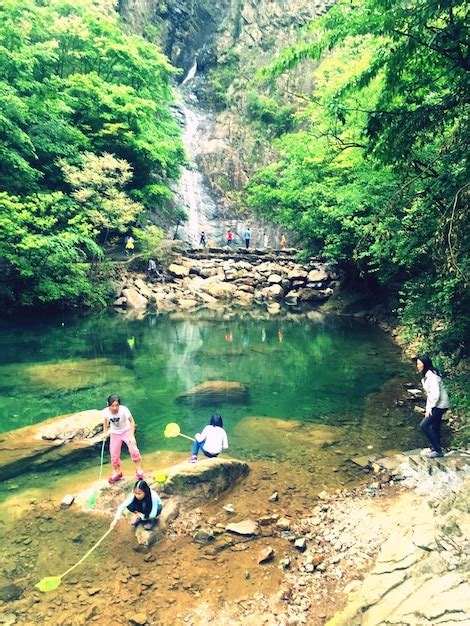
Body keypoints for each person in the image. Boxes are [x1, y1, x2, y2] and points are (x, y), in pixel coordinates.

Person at [102, 394, 144, 483]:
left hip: (126, 431)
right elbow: (105, 421)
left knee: (133, 450)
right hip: (115, 433)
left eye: (116, 405)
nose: (114, 408)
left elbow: (132, 422)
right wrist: (105, 432)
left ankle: (139, 470)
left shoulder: (124, 410)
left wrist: (131, 435)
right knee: (114, 454)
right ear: (108, 405)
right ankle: (117, 473)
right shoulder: (105, 412)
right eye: (112, 406)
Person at [416, 355, 450, 458]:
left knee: (424, 425)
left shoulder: (431, 376)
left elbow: (435, 394)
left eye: (419, 364)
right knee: (435, 426)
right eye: (417, 364)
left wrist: (431, 408)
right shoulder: (426, 376)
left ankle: (438, 450)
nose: (418, 366)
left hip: (440, 405)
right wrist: (428, 408)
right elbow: (429, 394)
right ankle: (436, 447)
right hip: (437, 404)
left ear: (425, 365)